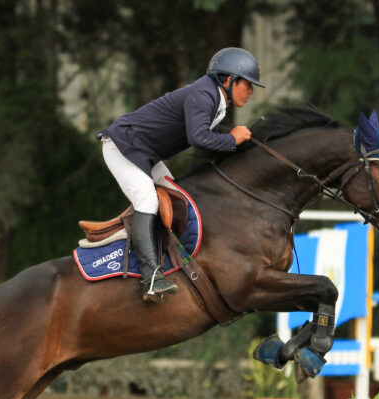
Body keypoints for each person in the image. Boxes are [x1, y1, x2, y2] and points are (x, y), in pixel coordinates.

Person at [96, 47, 263, 302]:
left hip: (145, 152)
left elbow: (207, 134)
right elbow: (199, 137)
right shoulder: (204, 94)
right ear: (229, 80)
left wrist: (240, 142)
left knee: (176, 198)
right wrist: (232, 139)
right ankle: (151, 279)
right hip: (123, 146)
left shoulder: (214, 98)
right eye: (247, 84)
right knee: (147, 201)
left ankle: (173, 259)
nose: (250, 91)